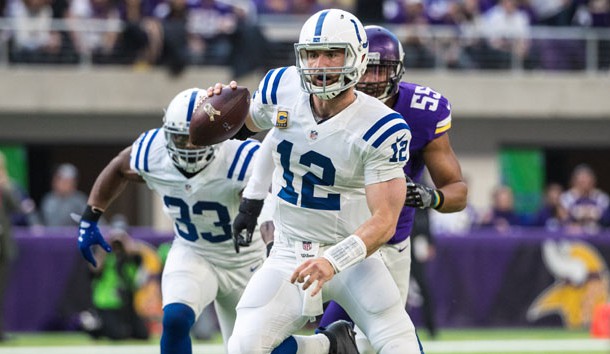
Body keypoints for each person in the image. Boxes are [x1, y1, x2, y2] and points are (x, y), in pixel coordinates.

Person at [220, 8, 421, 353]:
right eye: (312, 54)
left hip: (354, 256)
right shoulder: (280, 88)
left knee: (399, 347)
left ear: (358, 58)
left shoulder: (382, 126)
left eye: (333, 53)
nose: (320, 64)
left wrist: (333, 261)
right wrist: (218, 107)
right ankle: (329, 347)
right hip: (289, 252)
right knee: (243, 347)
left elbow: (385, 222)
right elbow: (241, 127)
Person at [266, 25, 468, 353]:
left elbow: (457, 190)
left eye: (381, 69)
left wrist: (433, 197)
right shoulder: (313, 101)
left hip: (388, 242)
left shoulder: (420, 112)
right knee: (332, 335)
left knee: (379, 337)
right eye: (368, 68)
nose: (373, 79)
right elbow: (272, 152)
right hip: (332, 237)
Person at [76, 87, 265, 353]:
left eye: (196, 138)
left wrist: (270, 233)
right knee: (175, 318)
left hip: (246, 260)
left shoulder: (242, 158)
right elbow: (119, 167)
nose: (189, 146)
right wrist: (90, 217)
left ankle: (324, 344)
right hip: (193, 250)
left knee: (256, 347)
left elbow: (272, 203)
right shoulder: (153, 152)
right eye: (180, 138)